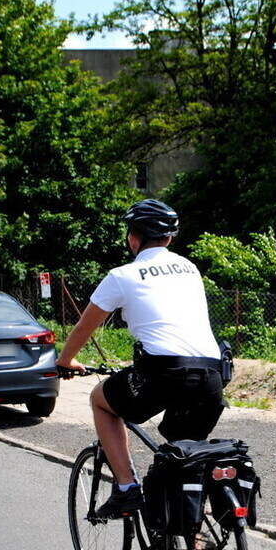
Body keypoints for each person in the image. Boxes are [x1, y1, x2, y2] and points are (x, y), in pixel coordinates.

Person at [57, 199, 225, 519]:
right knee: (183, 458)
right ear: (170, 239)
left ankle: (125, 488)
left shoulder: (123, 275)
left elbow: (84, 326)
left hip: (164, 372)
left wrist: (65, 361)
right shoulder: (189, 268)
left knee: (100, 399)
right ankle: (197, 543)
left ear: (134, 239)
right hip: (212, 374)